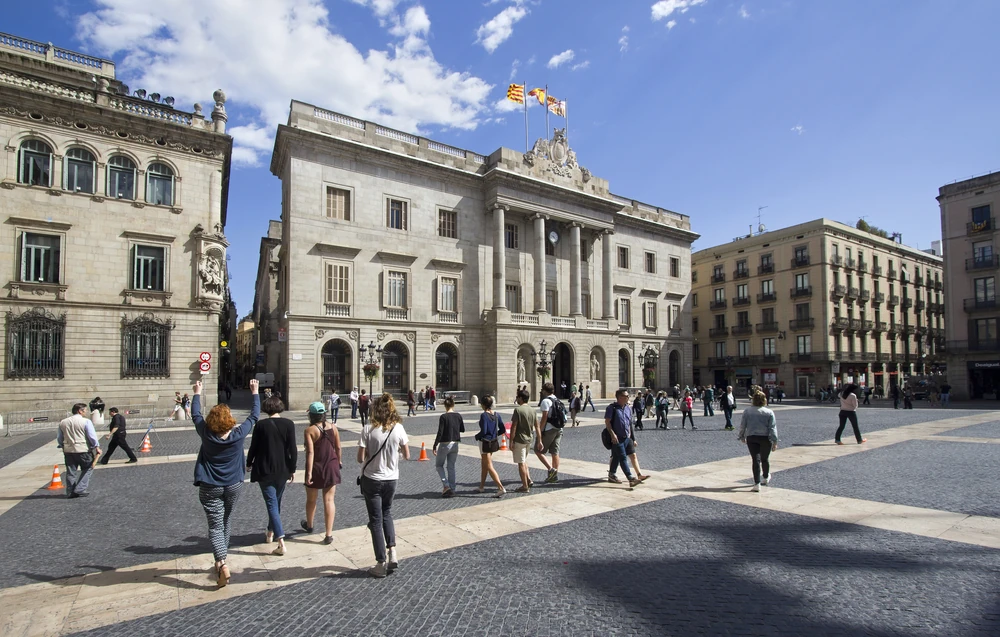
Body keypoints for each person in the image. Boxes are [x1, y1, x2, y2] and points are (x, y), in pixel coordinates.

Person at [192, 378, 260, 587]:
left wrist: (197, 392)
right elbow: (254, 416)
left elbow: (195, 415)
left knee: (215, 525)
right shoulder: (238, 434)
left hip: (209, 485)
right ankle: (222, 559)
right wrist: (255, 392)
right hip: (234, 484)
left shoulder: (206, 433)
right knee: (226, 519)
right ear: (230, 418)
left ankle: (221, 563)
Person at [357, 393, 410, 578]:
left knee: (375, 520)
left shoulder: (367, 429)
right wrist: (395, 455)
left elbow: (360, 458)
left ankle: (380, 563)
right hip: (391, 479)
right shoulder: (398, 428)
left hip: (372, 479)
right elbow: (407, 454)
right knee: (386, 513)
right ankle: (392, 551)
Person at [246, 393, 297, 555]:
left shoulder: (260, 425)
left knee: (271, 503)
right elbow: (293, 449)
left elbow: (253, 447)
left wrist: (249, 463)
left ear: (266, 408)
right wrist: (292, 468)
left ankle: (280, 541)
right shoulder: (289, 424)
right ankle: (270, 532)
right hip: (282, 469)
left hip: (264, 469)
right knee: (276, 502)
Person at [301, 401, 342, 545]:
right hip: (331, 465)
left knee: (311, 499)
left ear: (311, 415)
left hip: (316, 467)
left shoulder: (309, 430)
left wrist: (308, 473)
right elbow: (338, 447)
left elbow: (310, 453)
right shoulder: (333, 427)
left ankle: (310, 525)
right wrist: (339, 461)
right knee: (329, 500)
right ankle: (328, 534)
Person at [57, 403, 102, 498]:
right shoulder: (86, 421)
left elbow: (59, 438)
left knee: (71, 472)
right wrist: (96, 446)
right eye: (85, 410)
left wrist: (63, 446)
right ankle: (80, 488)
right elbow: (92, 436)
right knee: (88, 468)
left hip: (69, 450)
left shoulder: (63, 422)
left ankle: (70, 491)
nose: (86, 412)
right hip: (83, 449)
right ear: (80, 411)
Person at [738, 389, 779, 492]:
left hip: (752, 437)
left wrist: (741, 436)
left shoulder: (747, 411)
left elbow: (743, 425)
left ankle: (757, 483)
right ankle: (765, 477)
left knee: (755, 460)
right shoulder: (769, 412)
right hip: (765, 437)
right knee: (765, 459)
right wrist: (775, 441)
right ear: (764, 400)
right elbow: (772, 428)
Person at [604, 389, 642, 488]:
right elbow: (607, 422)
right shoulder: (612, 408)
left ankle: (611, 475)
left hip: (627, 438)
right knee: (622, 457)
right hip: (617, 438)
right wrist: (613, 434)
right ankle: (631, 478)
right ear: (620, 397)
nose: (628, 397)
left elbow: (629, 424)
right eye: (626, 396)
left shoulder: (628, 408)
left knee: (617, 456)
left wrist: (632, 438)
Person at [432, 396, 464, 497]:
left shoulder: (443, 417)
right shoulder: (458, 416)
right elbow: (462, 429)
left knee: (439, 465)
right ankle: (452, 488)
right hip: (455, 443)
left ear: (445, 406)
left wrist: (435, 445)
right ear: (453, 405)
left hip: (445, 444)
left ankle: (446, 485)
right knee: (451, 467)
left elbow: (440, 432)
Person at [475, 396, 506, 497]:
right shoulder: (497, 415)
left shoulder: (484, 415)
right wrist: (495, 434)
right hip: (493, 442)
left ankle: (500, 487)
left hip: (485, 442)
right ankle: (481, 486)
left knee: (488, 465)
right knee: (484, 464)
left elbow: (484, 431)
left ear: (483, 405)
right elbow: (503, 429)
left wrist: (477, 436)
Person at [533, 382, 563, 483]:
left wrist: (540, 430)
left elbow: (544, 417)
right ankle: (554, 476)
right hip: (559, 428)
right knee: (555, 452)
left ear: (545, 391)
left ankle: (551, 470)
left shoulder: (546, 401)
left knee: (538, 450)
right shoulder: (557, 399)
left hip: (549, 429)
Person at [508, 388, 536, 493]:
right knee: (524, 460)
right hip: (529, 439)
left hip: (520, 440)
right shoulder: (532, 410)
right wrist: (540, 440)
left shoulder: (518, 410)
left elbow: (513, 427)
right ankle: (528, 479)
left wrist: (511, 441)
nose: (517, 399)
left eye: (517, 397)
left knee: (521, 463)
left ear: (521, 398)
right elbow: (537, 426)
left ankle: (525, 486)